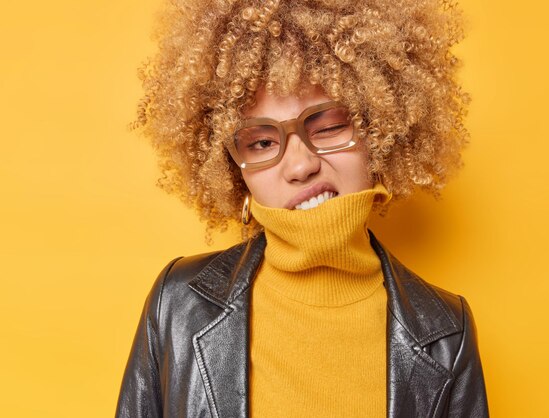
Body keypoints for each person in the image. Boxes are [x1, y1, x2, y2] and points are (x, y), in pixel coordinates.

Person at [116, 0, 488, 417]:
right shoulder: (176, 303)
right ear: (230, 167)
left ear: (382, 126)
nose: (300, 165)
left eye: (328, 126)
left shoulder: (446, 332)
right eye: (261, 142)